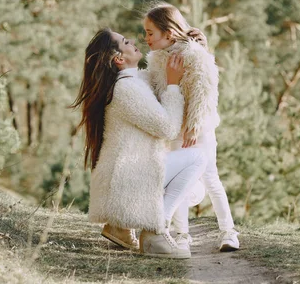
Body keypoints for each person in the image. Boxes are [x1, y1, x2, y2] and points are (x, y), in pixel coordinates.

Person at [71, 28, 207, 258]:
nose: (133, 40)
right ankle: (155, 229)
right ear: (119, 59)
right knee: (198, 158)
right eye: (125, 41)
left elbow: (158, 76)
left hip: (125, 178)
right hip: (129, 181)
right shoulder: (126, 88)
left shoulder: (133, 81)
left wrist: (199, 48)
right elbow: (168, 129)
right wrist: (173, 85)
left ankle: (120, 227)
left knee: (195, 190)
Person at [143, 3, 239, 252]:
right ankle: (182, 234)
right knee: (180, 183)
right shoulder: (155, 61)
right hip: (175, 131)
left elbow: (205, 91)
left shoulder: (195, 54)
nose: (146, 39)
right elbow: (157, 93)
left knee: (210, 178)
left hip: (199, 129)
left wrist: (195, 126)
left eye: (150, 33)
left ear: (169, 33)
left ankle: (228, 232)